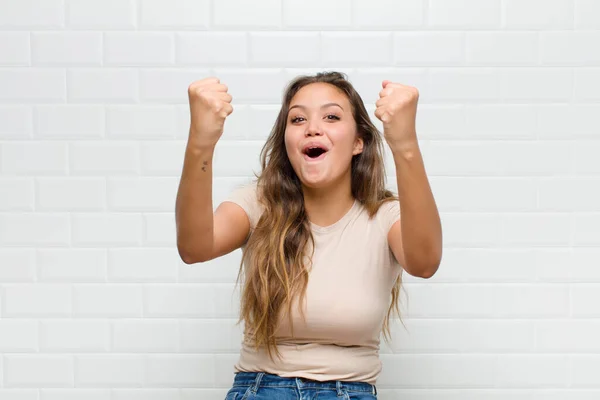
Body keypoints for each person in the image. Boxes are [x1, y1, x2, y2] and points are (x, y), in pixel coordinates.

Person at [175, 71, 443, 400]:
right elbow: (194, 247)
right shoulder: (258, 204)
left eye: (331, 116)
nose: (312, 127)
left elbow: (425, 262)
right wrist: (201, 143)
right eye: (298, 119)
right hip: (262, 389)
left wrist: (405, 145)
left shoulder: (385, 216)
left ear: (359, 142)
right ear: (286, 141)